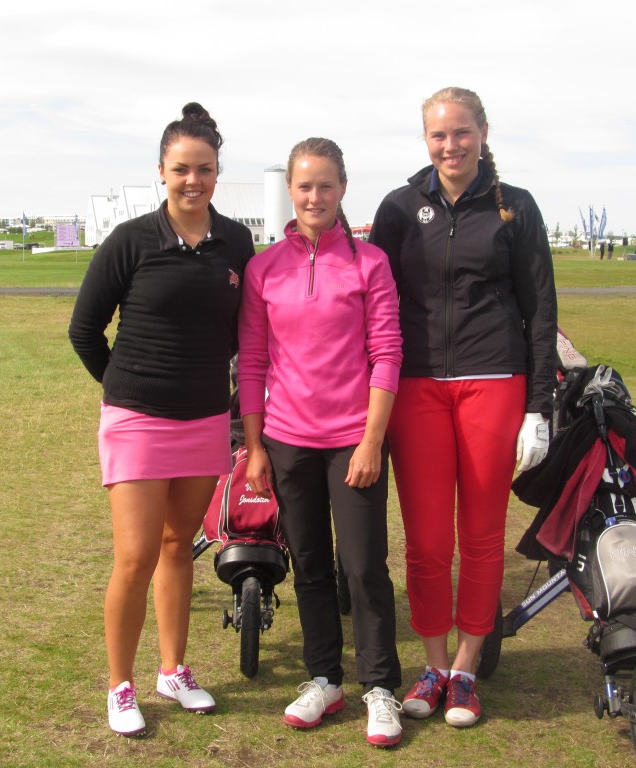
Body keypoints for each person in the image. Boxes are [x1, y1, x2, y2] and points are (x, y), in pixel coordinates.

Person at [369, 87, 558, 728]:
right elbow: (375, 304)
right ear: (426, 140)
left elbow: (540, 312)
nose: (450, 146)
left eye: (461, 132)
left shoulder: (516, 207)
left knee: (480, 536)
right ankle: (432, 665)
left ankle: (468, 668)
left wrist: (538, 406)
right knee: (426, 541)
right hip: (416, 387)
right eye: (438, 135)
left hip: (494, 383)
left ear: (482, 132)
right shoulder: (399, 207)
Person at [68, 102, 255, 737]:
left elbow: (244, 332)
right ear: (161, 171)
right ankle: (120, 685)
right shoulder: (131, 240)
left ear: (217, 172)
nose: (193, 181)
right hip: (138, 421)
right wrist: (126, 390)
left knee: (179, 547)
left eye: (204, 169)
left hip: (204, 419)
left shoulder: (237, 242)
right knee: (135, 555)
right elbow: (84, 330)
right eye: (181, 169)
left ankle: (172, 671)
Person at [238, 137, 405, 747]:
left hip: (352, 441)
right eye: (304, 185)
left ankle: (379, 686)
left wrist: (372, 440)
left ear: (342, 189)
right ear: (290, 189)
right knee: (308, 566)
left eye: (325, 185)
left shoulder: (370, 263)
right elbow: (252, 362)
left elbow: (387, 354)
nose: (315, 196)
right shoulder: (263, 268)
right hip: (286, 440)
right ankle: (324, 679)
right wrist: (256, 446)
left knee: (361, 568)